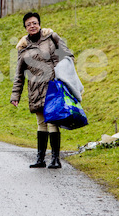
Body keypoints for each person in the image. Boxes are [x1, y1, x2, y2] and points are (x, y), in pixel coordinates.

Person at [10, 12, 73, 169]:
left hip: (53, 87)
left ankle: (55, 159)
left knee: (52, 121)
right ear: (25, 28)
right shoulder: (23, 48)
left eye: (34, 23)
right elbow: (19, 75)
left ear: (39, 24)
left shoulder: (51, 37)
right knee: (41, 122)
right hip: (35, 89)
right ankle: (40, 159)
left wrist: (60, 69)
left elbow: (68, 55)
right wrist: (15, 95)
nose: (32, 26)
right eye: (28, 24)